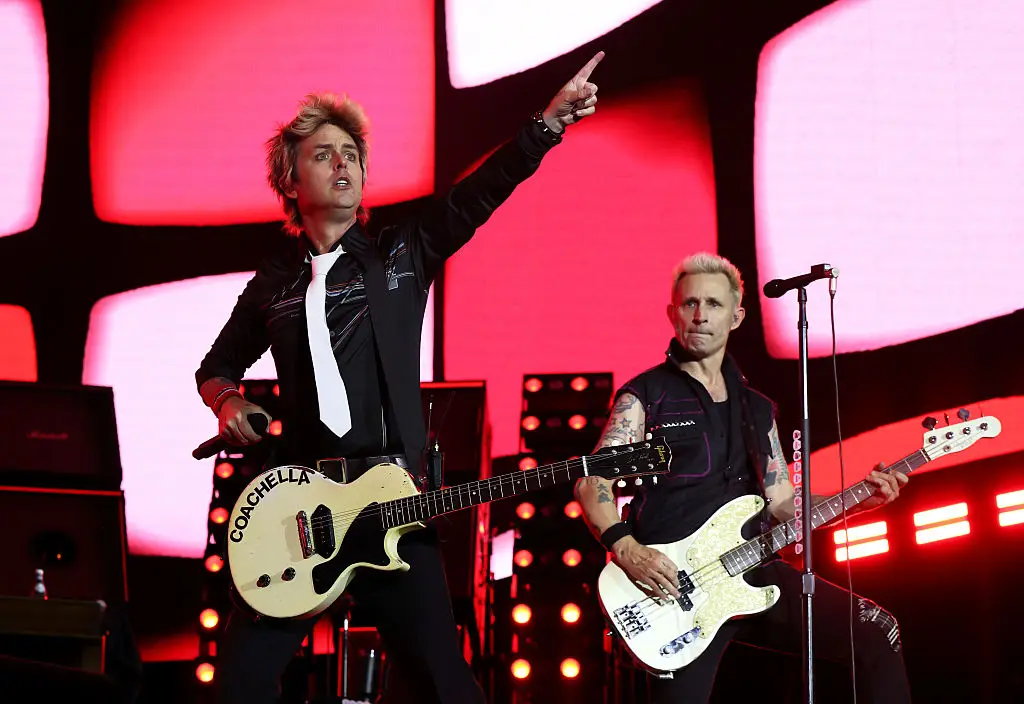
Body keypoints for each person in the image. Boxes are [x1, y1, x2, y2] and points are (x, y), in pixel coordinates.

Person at [195, 52, 605, 704]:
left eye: (352, 153)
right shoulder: (271, 283)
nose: (344, 164)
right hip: (299, 506)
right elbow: (214, 369)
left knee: (445, 685)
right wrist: (228, 403)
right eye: (325, 154)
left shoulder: (400, 252)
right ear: (289, 179)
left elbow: (479, 193)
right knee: (240, 686)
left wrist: (546, 126)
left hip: (391, 500)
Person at [575, 252, 912, 703]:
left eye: (713, 304)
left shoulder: (757, 409)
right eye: (690, 304)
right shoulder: (645, 397)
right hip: (674, 591)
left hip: (752, 571)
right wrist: (627, 548)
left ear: (736, 316)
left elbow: (783, 506)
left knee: (878, 632)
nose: (700, 315)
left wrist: (859, 499)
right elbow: (590, 483)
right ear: (672, 313)